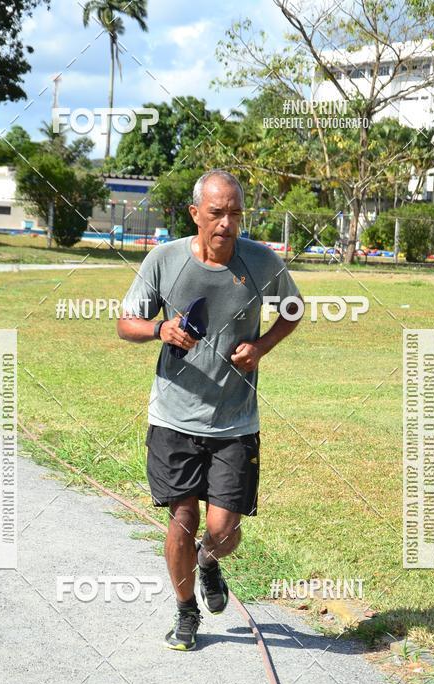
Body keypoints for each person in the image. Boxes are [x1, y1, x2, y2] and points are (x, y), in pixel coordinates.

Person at [118, 169, 302, 651]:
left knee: (223, 529)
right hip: (174, 418)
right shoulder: (164, 260)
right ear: (195, 213)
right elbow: (125, 322)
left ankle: (208, 562)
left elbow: (293, 311)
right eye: (216, 212)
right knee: (182, 520)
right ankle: (185, 613)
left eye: (235, 212)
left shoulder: (261, 262)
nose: (226, 222)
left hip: (236, 421)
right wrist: (159, 331)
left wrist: (261, 346)